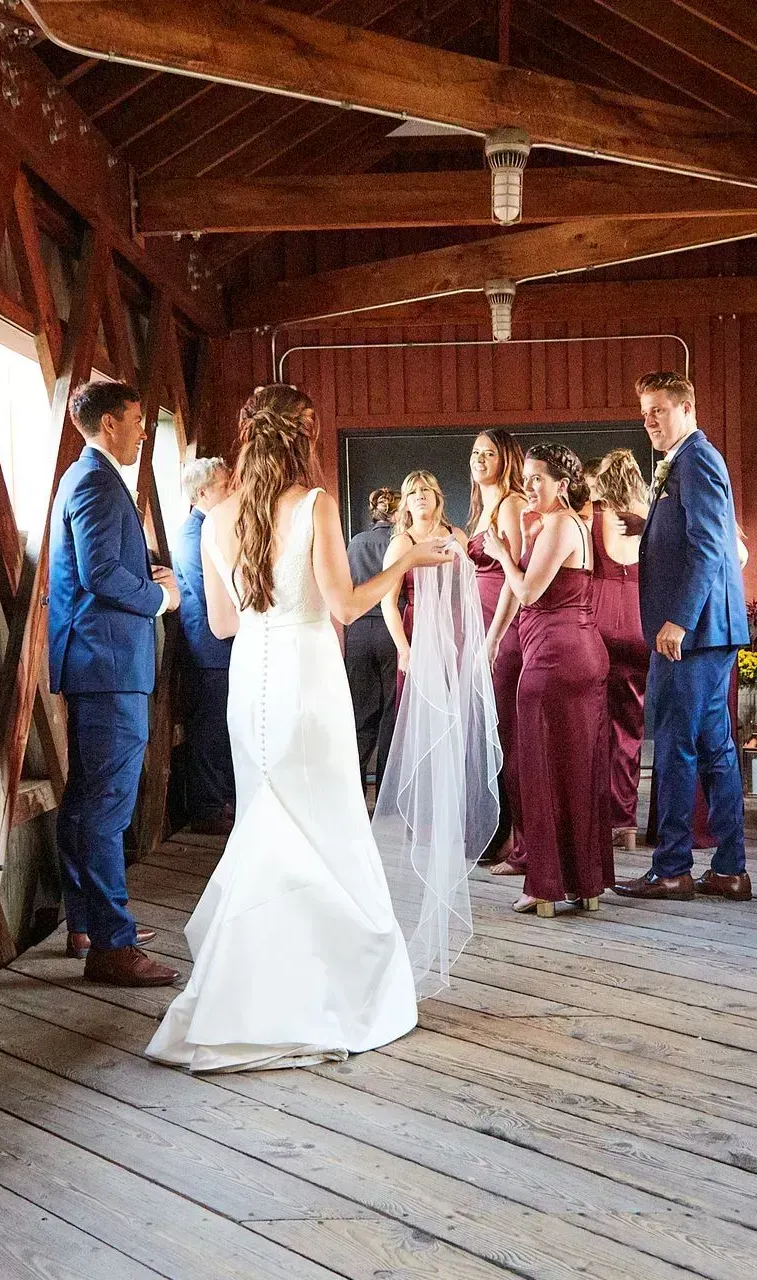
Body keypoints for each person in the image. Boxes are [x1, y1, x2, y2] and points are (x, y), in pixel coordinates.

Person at [146, 384, 456, 1072]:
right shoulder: (313, 505)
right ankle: (321, 990)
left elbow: (224, 624)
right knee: (325, 827)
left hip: (250, 679)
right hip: (306, 678)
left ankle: (249, 987)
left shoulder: (219, 516)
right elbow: (344, 605)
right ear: (303, 439)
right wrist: (404, 561)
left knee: (270, 825)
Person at [47, 378, 179, 986]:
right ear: (108, 426)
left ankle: (87, 921)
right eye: (136, 420)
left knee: (86, 802)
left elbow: (101, 564)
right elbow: (100, 573)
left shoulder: (88, 479)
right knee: (106, 806)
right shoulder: (97, 482)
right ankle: (112, 946)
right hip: (108, 665)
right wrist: (156, 598)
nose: (144, 431)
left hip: (97, 661)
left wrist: (139, 571)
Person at [613, 371, 753, 904]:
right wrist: (645, 521)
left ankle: (672, 867)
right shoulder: (682, 461)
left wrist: (681, 621)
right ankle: (729, 868)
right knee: (714, 746)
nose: (649, 419)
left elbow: (711, 547)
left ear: (687, 409)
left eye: (659, 409)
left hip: (694, 633)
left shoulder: (697, 460)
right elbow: (686, 534)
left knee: (675, 744)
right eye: (644, 410)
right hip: (706, 630)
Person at [485, 443, 611, 917]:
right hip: (578, 655)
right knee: (577, 771)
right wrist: (519, 534)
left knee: (538, 770)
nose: (530, 485)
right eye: (528, 478)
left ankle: (544, 887)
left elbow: (527, 591)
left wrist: (499, 553)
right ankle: (586, 882)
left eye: (539, 479)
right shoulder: (572, 523)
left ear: (562, 484)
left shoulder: (559, 524)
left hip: (555, 660)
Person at [467, 429, 530, 869]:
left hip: (502, 629)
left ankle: (520, 842)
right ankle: (496, 830)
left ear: (506, 459)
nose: (480, 459)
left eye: (489, 453)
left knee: (508, 734)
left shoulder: (510, 503)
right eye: (475, 453)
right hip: (478, 624)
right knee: (488, 733)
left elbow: (514, 574)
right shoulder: (480, 508)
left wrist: (493, 637)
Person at [587, 448, 648, 851]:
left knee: (595, 725)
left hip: (600, 619)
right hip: (643, 619)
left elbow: (584, 567)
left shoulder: (593, 518)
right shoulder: (649, 513)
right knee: (631, 726)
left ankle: (597, 821)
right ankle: (626, 824)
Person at [174, 455, 236, 833]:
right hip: (209, 646)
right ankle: (207, 809)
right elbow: (207, 592)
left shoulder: (211, 528)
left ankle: (221, 800)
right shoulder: (194, 535)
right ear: (201, 493)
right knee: (210, 728)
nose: (230, 493)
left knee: (222, 726)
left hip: (219, 644)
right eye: (224, 487)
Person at [381, 470, 467, 684]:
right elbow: (388, 603)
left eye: (425, 489)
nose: (419, 495)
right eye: (412, 492)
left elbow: (470, 590)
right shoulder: (402, 542)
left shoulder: (458, 537)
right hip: (418, 629)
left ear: (437, 497)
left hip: (455, 627)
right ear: (406, 504)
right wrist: (404, 650)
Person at [345, 488, 402, 791]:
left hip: (357, 633)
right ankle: (385, 792)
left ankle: (351, 791)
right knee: (392, 713)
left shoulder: (355, 543)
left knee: (361, 715)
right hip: (391, 630)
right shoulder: (401, 543)